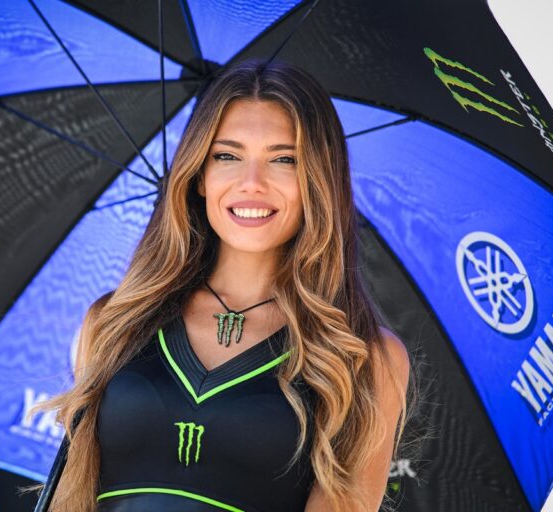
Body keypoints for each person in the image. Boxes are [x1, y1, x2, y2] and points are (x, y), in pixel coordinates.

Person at [39, 59, 415, 512]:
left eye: (284, 159)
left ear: (318, 180)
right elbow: (71, 498)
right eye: (227, 156)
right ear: (199, 174)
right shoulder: (113, 322)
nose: (251, 183)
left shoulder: (364, 359)